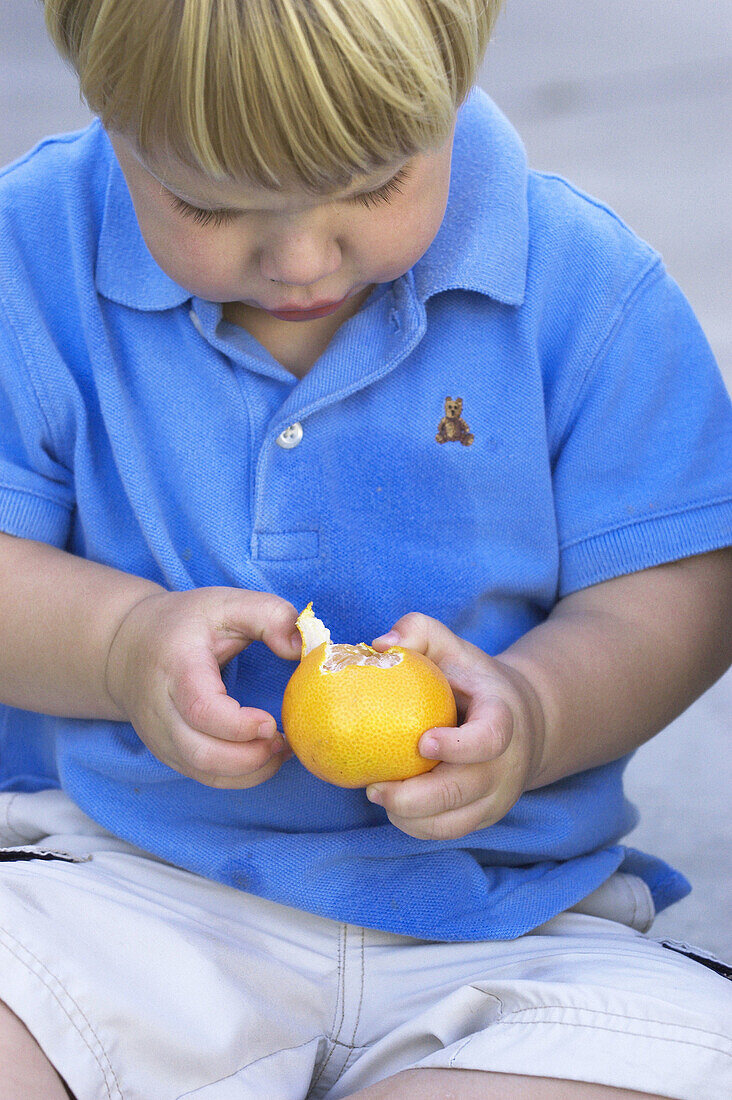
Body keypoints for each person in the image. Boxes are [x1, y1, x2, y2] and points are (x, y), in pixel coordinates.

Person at [0, 0, 730, 1096]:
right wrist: (120, 645)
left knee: (652, 1055)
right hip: (127, 883)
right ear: (109, 109)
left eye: (375, 185)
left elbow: (678, 587)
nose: (300, 257)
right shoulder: (33, 255)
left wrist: (535, 712)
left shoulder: (582, 284)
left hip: (501, 926)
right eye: (207, 201)